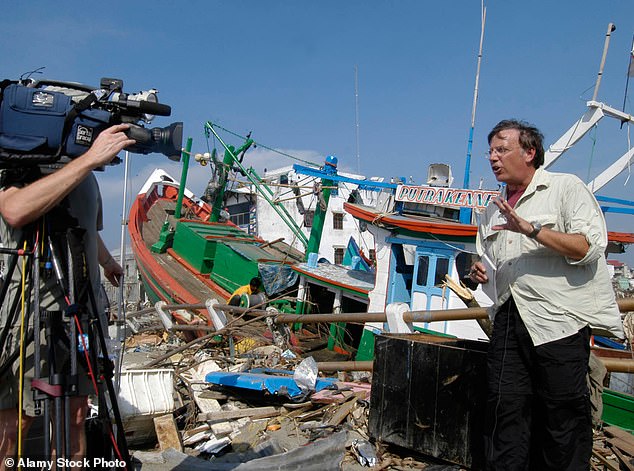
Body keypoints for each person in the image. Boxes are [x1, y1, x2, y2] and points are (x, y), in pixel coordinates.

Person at [469, 119, 623, 471]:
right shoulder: (492, 210)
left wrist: (532, 229)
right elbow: (491, 263)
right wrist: (480, 272)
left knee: (562, 413)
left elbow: (588, 247)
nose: (493, 157)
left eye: (502, 149)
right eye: (490, 151)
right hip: (509, 318)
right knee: (503, 410)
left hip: (559, 321)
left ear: (529, 152)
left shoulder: (565, 188)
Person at [0, 124, 133, 468]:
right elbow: (14, 210)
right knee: (18, 419)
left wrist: (108, 263)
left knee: (76, 416)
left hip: (81, 309)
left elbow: (86, 228)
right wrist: (89, 159)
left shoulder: (87, 176)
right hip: (29, 311)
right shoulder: (22, 165)